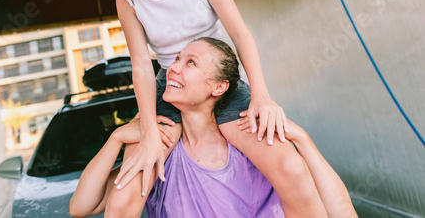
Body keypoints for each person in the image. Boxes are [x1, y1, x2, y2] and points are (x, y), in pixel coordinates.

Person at [87, 0, 319, 217]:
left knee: (292, 169)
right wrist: (150, 130)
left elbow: (240, 34)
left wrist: (262, 96)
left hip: (219, 82)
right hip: (170, 89)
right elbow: (141, 65)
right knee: (125, 195)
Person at [69, 38, 357, 218]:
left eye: (190, 62)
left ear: (219, 87)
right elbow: (82, 207)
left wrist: (303, 140)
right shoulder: (160, 154)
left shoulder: (252, 147)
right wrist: (116, 138)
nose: (173, 67)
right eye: (177, 58)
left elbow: (338, 211)